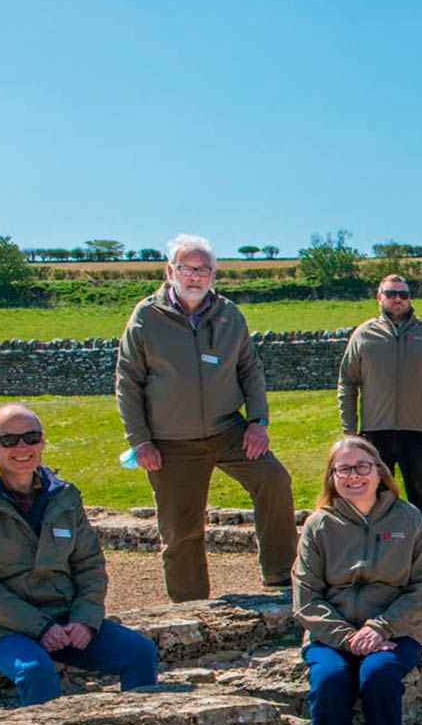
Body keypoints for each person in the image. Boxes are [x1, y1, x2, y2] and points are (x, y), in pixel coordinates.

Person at [0, 404, 160, 706]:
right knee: (35, 670)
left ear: (42, 440)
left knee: (139, 651)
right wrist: (40, 627)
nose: (22, 447)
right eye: (9, 440)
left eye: (31, 438)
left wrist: (84, 620)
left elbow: (90, 566)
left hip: (65, 617)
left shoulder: (64, 495)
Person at [117, 233, 295, 602]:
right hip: (171, 440)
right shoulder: (146, 317)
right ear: (170, 271)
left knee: (274, 480)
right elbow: (128, 382)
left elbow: (251, 370)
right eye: (187, 268)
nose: (195, 276)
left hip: (227, 429)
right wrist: (140, 440)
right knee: (181, 528)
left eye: (204, 269)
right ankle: (192, 606)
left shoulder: (229, 315)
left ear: (214, 274)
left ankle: (281, 579)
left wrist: (257, 422)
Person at [292, 436, 422, 725]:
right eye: (343, 469)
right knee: (329, 681)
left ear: (379, 471)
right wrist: (348, 638)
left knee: (378, 675)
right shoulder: (318, 524)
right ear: (332, 477)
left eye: (362, 466)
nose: (353, 476)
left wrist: (382, 627)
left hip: (396, 632)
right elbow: (306, 597)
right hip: (331, 636)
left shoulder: (407, 517)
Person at [338, 274, 422, 559]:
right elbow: (347, 382)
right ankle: (374, 555)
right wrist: (349, 431)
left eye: (404, 294)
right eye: (391, 293)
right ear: (379, 297)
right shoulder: (364, 335)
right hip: (375, 431)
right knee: (374, 496)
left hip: (418, 431)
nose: (398, 300)